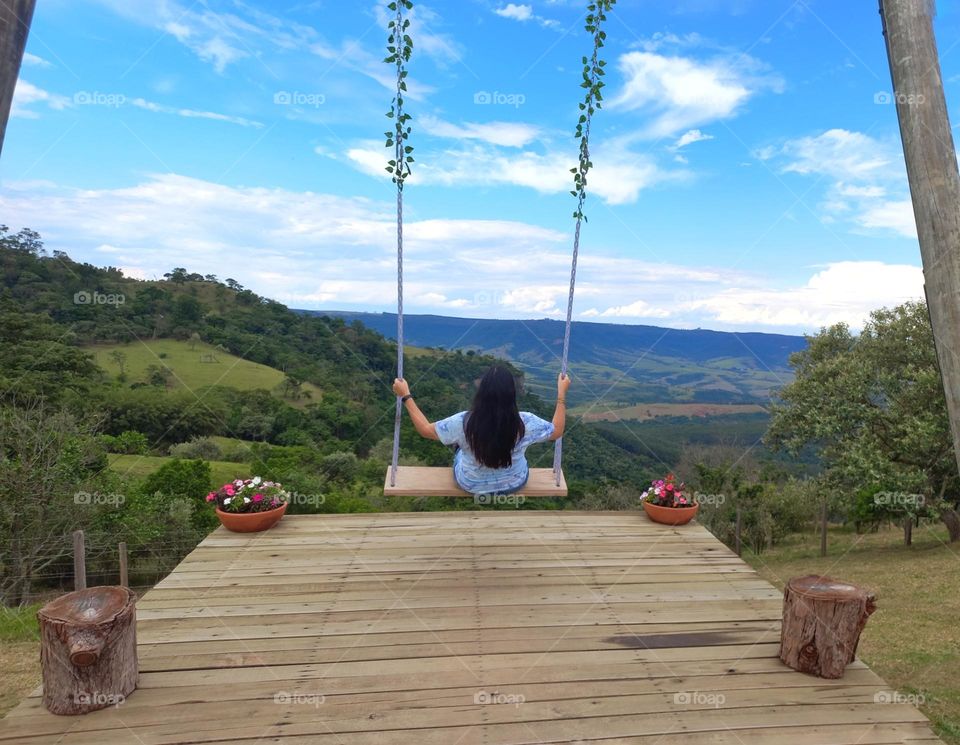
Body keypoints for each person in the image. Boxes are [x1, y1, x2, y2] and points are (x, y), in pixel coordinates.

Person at [392, 365, 570, 495]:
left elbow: (424, 429)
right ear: (512, 394)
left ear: (481, 392)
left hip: (472, 483)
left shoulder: (463, 422)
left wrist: (405, 396)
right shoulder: (526, 422)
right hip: (514, 482)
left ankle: (464, 448)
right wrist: (561, 394)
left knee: (461, 451)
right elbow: (557, 431)